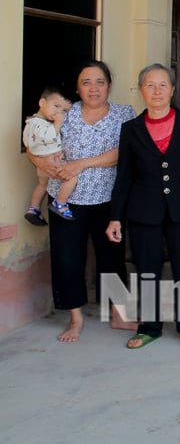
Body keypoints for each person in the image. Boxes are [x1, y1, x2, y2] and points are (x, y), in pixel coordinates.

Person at [27, 61, 138, 342]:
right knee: (68, 258)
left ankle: (119, 313)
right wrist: (43, 163)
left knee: (111, 256)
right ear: (78, 88)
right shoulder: (63, 112)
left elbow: (125, 152)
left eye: (99, 81)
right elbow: (34, 146)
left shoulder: (124, 114)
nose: (93, 88)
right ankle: (75, 318)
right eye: (86, 82)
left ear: (109, 85)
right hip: (65, 199)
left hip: (107, 198)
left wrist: (80, 164)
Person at [105, 64, 180, 350]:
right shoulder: (131, 129)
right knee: (147, 268)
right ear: (141, 91)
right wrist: (115, 218)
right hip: (143, 210)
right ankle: (149, 327)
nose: (157, 91)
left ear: (173, 89)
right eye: (150, 85)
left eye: (163, 85)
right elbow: (124, 175)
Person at [23, 86, 74, 225]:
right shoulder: (40, 125)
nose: (59, 112)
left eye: (63, 110)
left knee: (42, 185)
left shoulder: (30, 122)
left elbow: (26, 143)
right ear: (42, 103)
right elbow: (49, 136)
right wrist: (58, 123)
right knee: (72, 177)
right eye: (56, 106)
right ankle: (60, 203)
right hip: (53, 161)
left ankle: (33, 208)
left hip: (41, 163)